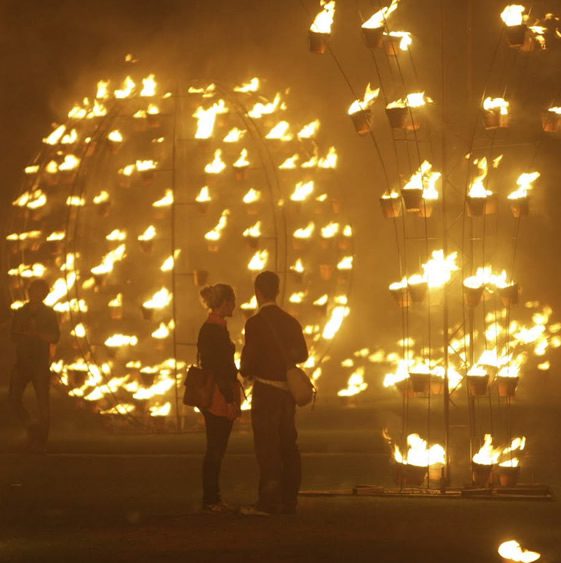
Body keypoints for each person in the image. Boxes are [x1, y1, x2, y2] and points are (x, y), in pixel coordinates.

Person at [240, 271, 308, 516]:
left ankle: (268, 502)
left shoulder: (255, 323)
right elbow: (303, 354)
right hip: (286, 393)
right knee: (288, 444)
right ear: (277, 291)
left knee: (267, 448)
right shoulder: (290, 322)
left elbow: (250, 358)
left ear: (258, 292)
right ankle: (290, 499)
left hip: (266, 392)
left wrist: (245, 370)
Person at [197, 283, 241, 513]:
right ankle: (211, 499)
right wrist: (230, 399)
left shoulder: (213, 328)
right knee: (216, 448)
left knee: (215, 447)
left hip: (217, 392)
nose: (235, 305)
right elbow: (219, 367)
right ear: (224, 303)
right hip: (218, 395)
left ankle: (212, 497)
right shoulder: (214, 330)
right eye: (232, 301)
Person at [9, 278, 60, 453]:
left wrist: (37, 334)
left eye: (40, 291)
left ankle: (41, 441)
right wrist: (23, 333)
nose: (36, 294)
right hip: (22, 362)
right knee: (13, 400)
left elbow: (54, 337)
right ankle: (31, 426)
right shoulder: (21, 312)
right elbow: (13, 336)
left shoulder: (49, 314)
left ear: (44, 294)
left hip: (39, 363)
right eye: (33, 290)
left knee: (42, 403)